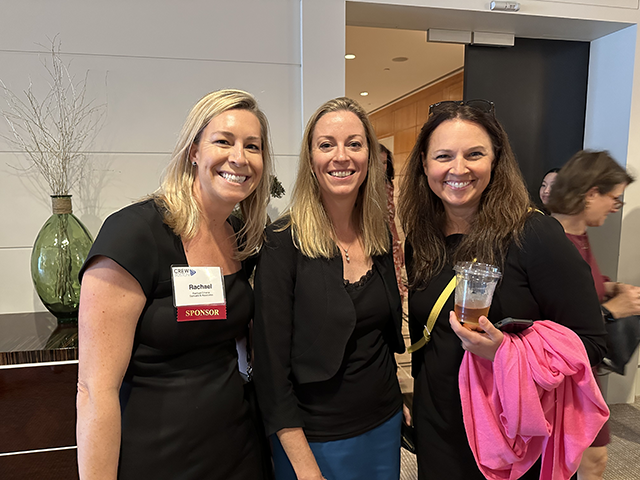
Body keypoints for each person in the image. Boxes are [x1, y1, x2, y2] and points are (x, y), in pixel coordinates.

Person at [398, 100, 608, 480]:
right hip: (439, 428)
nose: (458, 168)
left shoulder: (534, 236)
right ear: (424, 166)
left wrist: (505, 353)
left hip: (512, 434)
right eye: (443, 156)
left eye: (474, 154)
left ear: (495, 160)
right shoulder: (422, 240)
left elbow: (590, 342)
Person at [77, 89, 274, 480]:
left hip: (238, 449)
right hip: (159, 456)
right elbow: (94, 391)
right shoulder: (135, 233)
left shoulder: (240, 237)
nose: (239, 157)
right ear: (194, 151)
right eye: (224, 141)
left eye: (252, 146)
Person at [253, 97, 405, 480]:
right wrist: (304, 466)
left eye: (354, 144)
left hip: (384, 424)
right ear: (311, 158)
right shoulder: (283, 242)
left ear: (370, 156)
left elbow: (381, 334)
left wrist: (397, 398)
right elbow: (271, 370)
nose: (342, 156)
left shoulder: (378, 233)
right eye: (327, 144)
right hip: (314, 438)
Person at [548, 149, 640, 480]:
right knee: (577, 459)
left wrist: (609, 287)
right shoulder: (554, 242)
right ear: (591, 194)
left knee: (591, 459)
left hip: (583, 370)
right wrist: (612, 311)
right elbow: (554, 326)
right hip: (565, 375)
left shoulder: (578, 235)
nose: (616, 207)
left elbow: (580, 286)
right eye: (614, 198)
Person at [380, 144, 407, 301]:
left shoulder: (388, 185)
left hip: (390, 239)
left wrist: (398, 244)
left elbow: (391, 219)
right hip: (376, 239)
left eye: (384, 163)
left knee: (396, 281)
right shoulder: (363, 187)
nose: (381, 167)